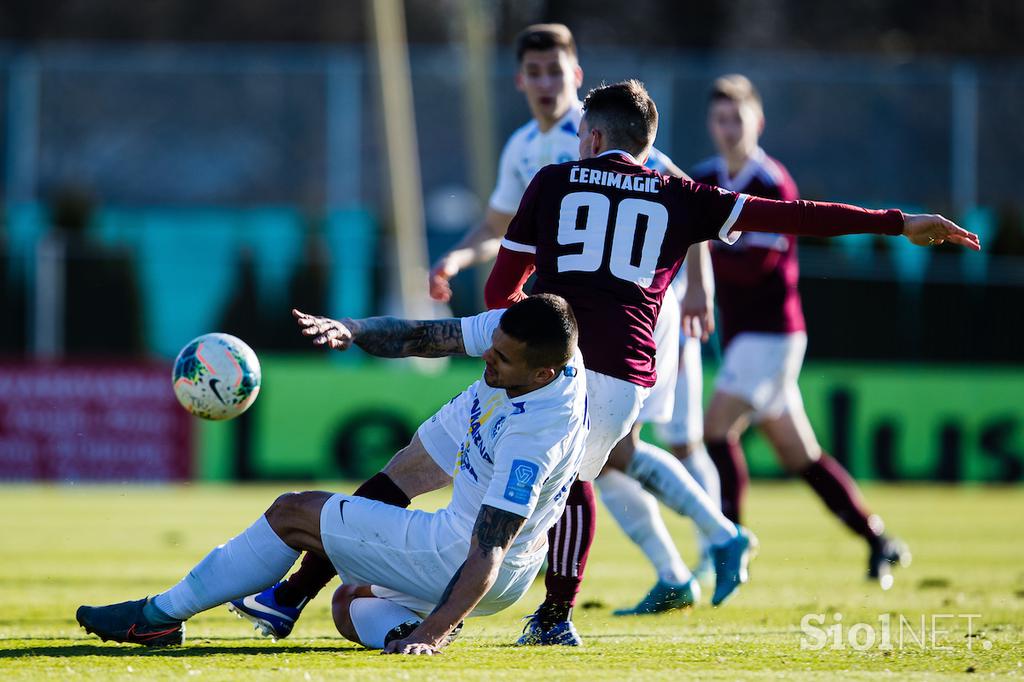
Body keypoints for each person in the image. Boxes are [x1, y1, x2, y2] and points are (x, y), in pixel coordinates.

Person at [238, 23, 725, 647]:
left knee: (583, 473)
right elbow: (500, 227)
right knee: (422, 466)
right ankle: (297, 592)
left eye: (558, 71)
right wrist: (459, 262)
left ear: (577, 77)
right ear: (520, 79)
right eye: (536, 72)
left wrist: (701, 289)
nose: (547, 83)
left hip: (596, 348)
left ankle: (580, 602)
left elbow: (695, 210)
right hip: (526, 342)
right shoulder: (526, 148)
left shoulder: (629, 150)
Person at [481, 78, 980, 618]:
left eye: (582, 135)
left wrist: (520, 345)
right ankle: (713, 540)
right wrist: (897, 223)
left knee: (564, 474)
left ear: (595, 137)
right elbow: (799, 216)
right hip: (631, 370)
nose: (579, 144)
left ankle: (552, 612)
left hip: (571, 363)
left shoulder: (552, 181)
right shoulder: (683, 193)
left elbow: (498, 291)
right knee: (606, 462)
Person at [76, 295, 589, 655]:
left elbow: (488, 550)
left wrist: (437, 628)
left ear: (543, 374)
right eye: (490, 346)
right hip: (492, 549)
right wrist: (353, 329)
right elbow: (425, 335)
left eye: (500, 358)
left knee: (291, 513)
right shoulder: (534, 340)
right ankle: (358, 619)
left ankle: (158, 617)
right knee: (350, 603)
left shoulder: (535, 438)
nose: (486, 360)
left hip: (464, 556)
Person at [693, 74, 914, 588]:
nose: (728, 129)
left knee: (713, 430)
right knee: (802, 457)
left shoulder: (771, 183)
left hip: (773, 334)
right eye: (720, 119)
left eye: (737, 119)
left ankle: (732, 543)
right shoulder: (703, 176)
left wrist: (702, 254)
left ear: (758, 122)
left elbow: (759, 266)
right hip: (747, 338)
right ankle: (878, 540)